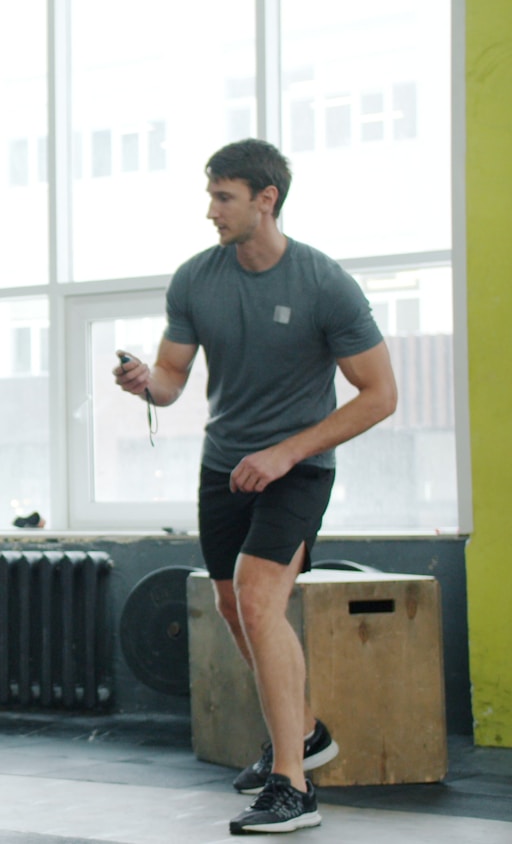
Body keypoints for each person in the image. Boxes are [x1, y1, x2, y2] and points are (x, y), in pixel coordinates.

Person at [113, 139, 396, 835]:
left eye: (223, 197)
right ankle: (305, 729)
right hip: (225, 465)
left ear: (265, 199)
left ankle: (292, 784)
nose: (211, 211)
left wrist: (286, 452)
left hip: (298, 467)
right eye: (211, 195)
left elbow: (379, 394)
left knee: (260, 596)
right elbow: (174, 381)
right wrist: (147, 383)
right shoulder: (195, 280)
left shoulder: (323, 284)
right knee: (232, 604)